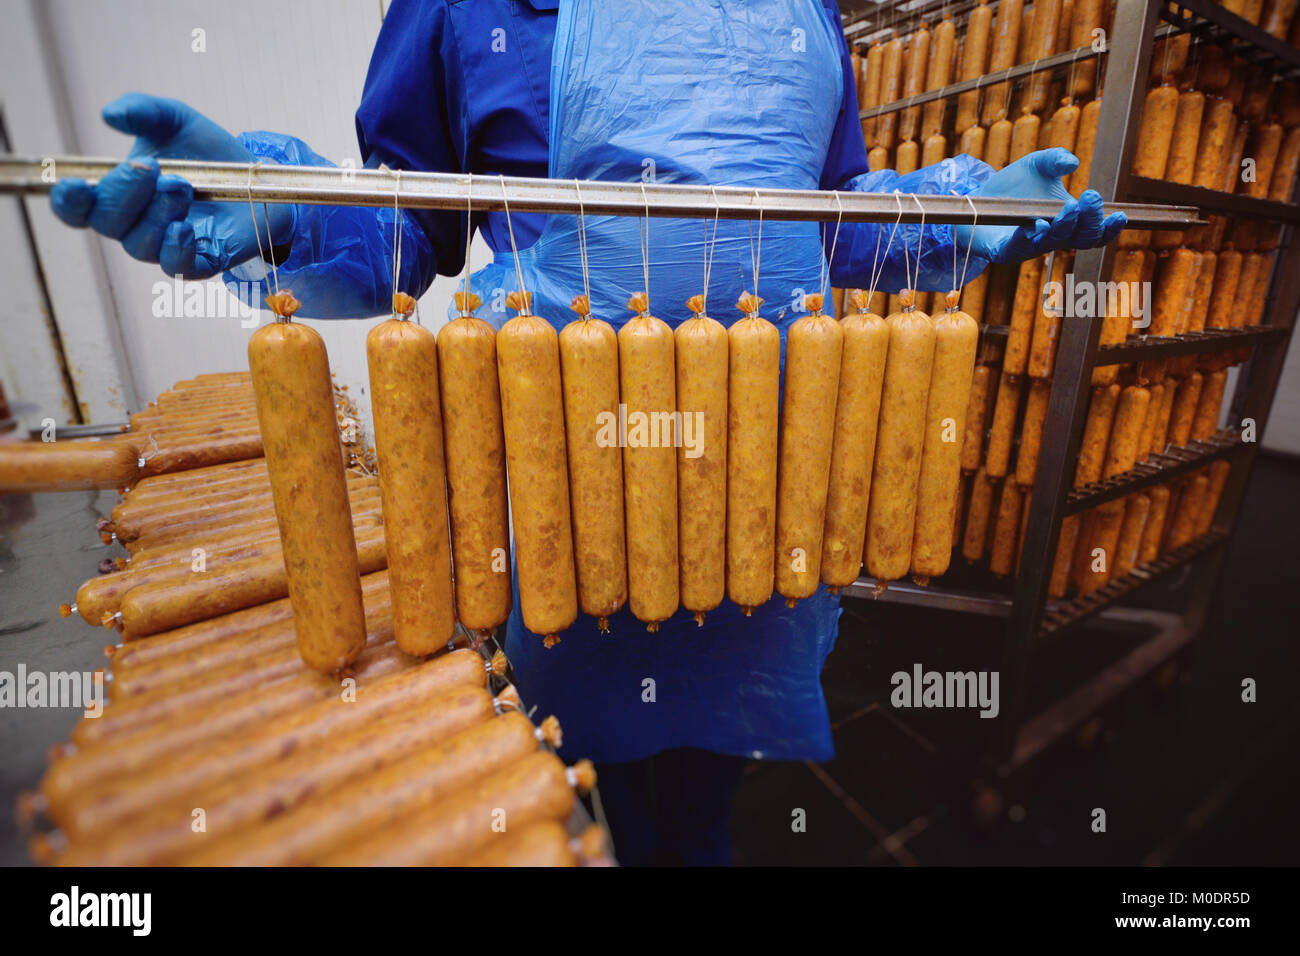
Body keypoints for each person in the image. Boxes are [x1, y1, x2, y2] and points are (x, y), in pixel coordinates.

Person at [49, 0, 1124, 866]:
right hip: (566, 471)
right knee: (581, 764)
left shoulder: (804, 12)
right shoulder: (464, 8)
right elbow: (411, 227)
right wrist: (279, 207)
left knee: (713, 774)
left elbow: (834, 217)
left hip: (765, 462)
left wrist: (951, 216)